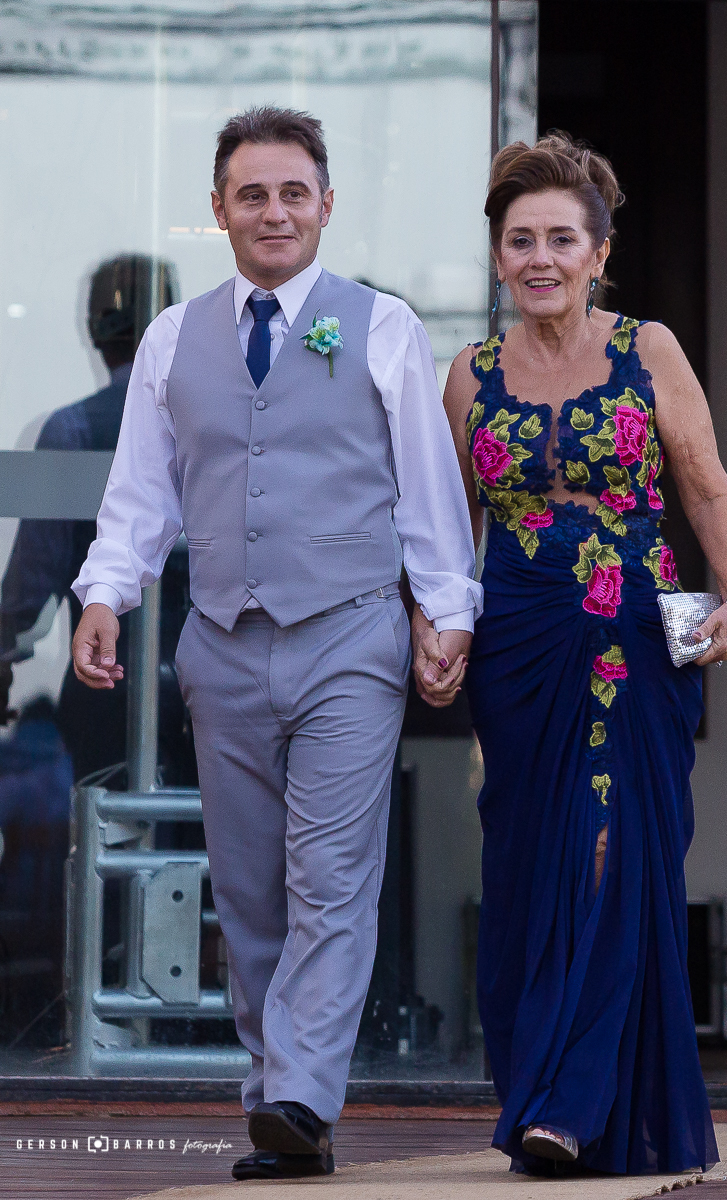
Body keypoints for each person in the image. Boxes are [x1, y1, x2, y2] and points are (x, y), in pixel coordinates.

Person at [70, 106, 481, 1180]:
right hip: (221, 641)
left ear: (325, 205)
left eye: (293, 191)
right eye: (251, 193)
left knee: (331, 878)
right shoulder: (172, 337)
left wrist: (445, 610)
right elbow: (140, 495)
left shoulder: (380, 326)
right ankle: (274, 1094)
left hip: (348, 634)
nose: (274, 210)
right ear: (219, 211)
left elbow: (428, 493)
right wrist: (105, 594)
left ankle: (301, 1092)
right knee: (247, 888)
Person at [425, 132, 727, 1176]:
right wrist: (435, 624)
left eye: (560, 238)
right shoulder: (466, 377)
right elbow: (442, 533)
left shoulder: (646, 349)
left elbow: (700, 480)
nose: (538, 257)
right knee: (525, 862)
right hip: (517, 642)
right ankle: (536, 1090)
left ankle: (573, 1103)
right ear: (495, 258)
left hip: (632, 631)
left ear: (597, 252)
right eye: (518, 239)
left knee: (616, 848)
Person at [0, 255, 194, 784]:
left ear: (93, 330)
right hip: (216, 691)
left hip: (105, 690)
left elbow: (27, 592)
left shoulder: (71, 431)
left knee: (103, 851)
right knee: (217, 856)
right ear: (169, 319)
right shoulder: (213, 425)